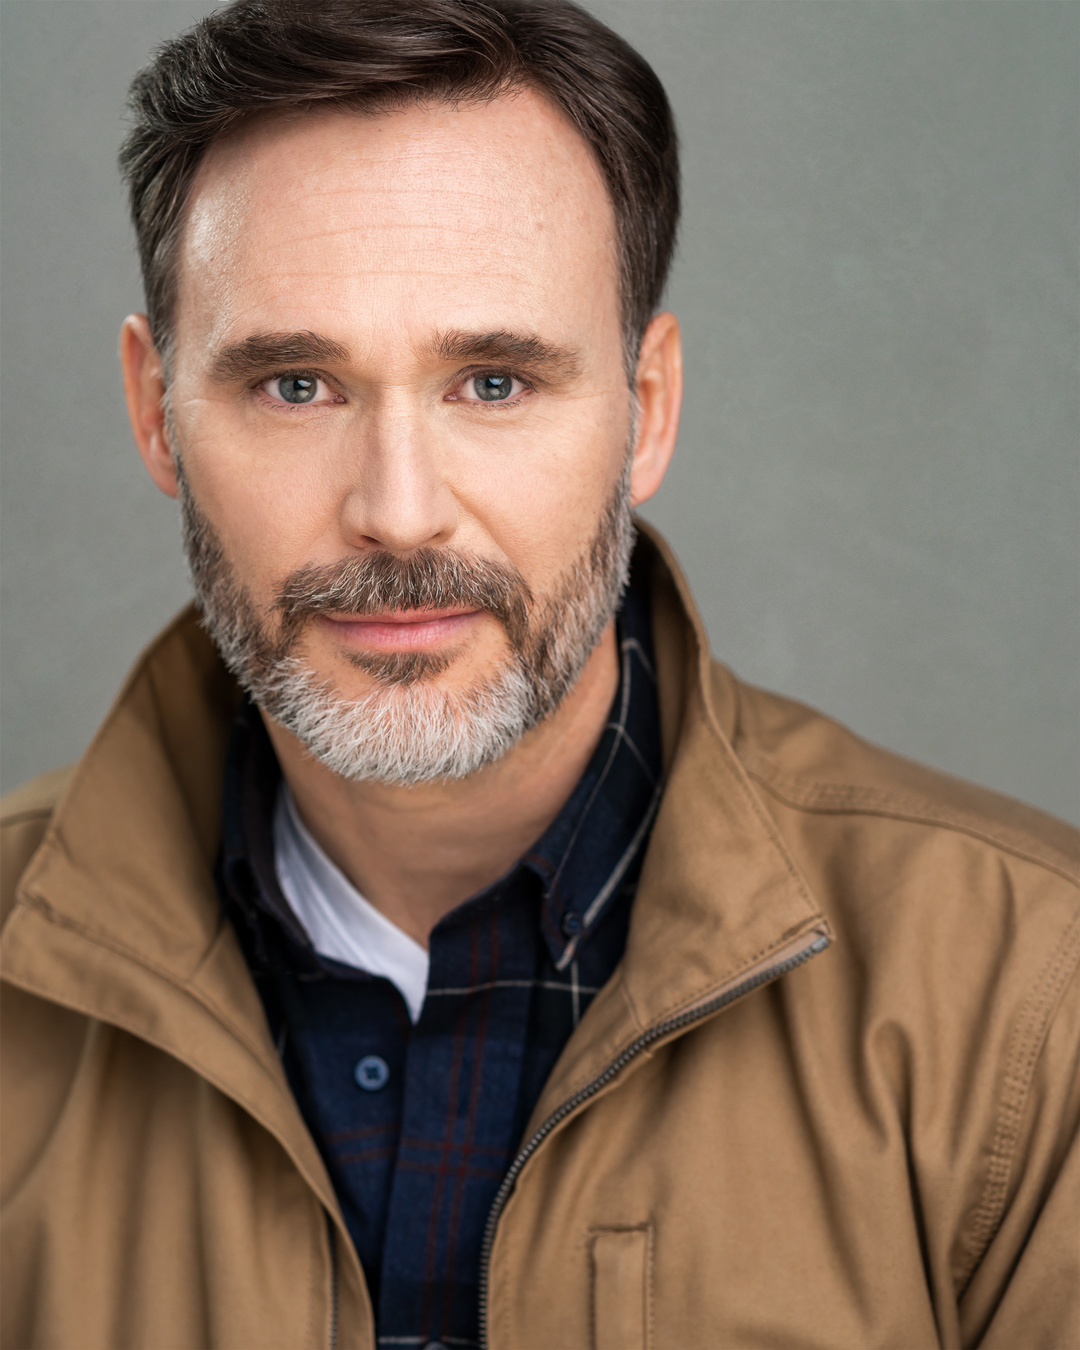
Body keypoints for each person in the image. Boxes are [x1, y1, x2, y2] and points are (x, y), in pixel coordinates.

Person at [1, 0, 1076, 1345]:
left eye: (494, 382)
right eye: (295, 385)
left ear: (650, 407)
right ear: (158, 412)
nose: (398, 512)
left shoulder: (1037, 1004)